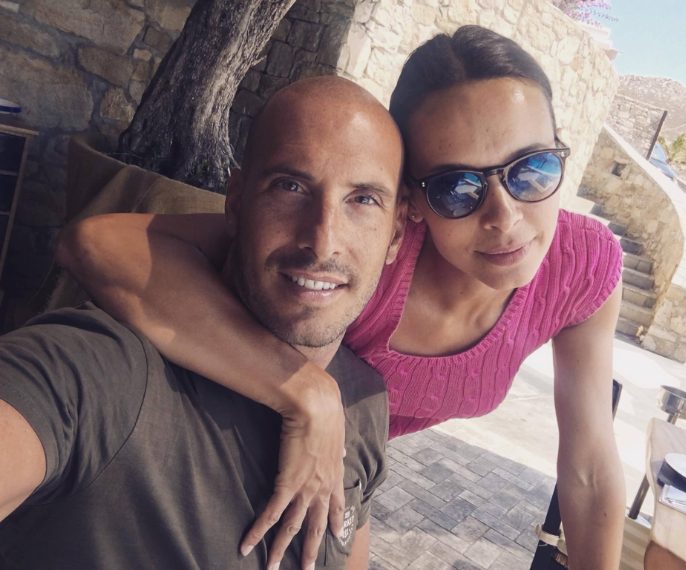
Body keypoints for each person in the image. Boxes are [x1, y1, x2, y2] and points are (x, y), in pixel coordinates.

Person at [58, 26, 626, 568]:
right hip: (230, 437)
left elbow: (590, 471)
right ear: (409, 204)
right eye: (457, 188)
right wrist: (307, 390)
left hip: (347, 474)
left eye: (533, 170)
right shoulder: (362, 253)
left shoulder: (581, 266)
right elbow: (98, 242)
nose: (505, 217)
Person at [0, 76, 407, 570]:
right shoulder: (104, 370)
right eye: (290, 186)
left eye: (363, 199)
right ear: (235, 203)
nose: (322, 241)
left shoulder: (365, 399)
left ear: (395, 236)